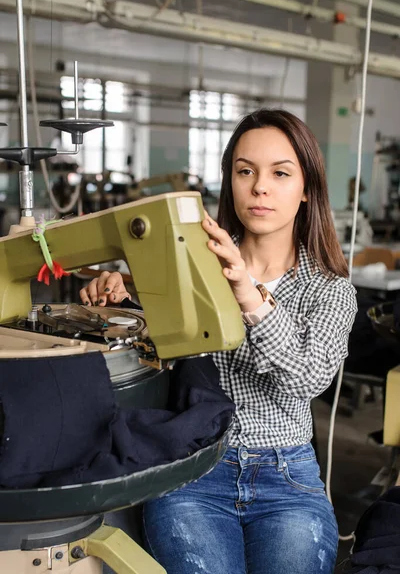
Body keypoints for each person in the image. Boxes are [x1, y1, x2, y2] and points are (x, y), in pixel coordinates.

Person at [80, 109, 357, 574]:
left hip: (287, 479)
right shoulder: (189, 263)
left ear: (307, 188)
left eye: (280, 173)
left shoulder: (329, 289)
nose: (259, 187)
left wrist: (247, 293)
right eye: (245, 171)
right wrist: (121, 298)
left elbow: (308, 379)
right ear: (230, 180)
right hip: (195, 472)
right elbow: (154, 336)